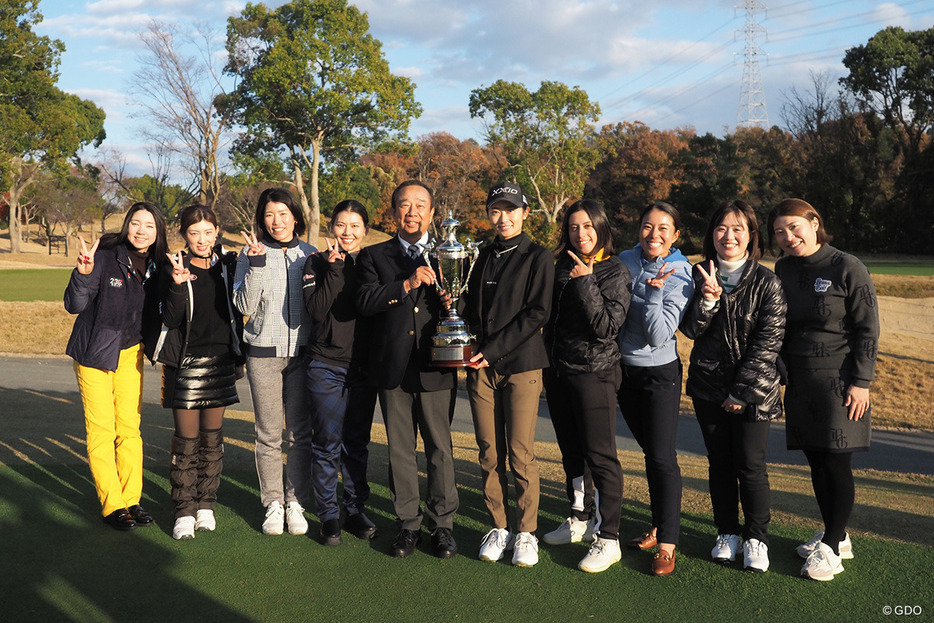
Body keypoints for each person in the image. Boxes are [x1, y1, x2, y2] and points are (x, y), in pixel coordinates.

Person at [768, 198, 879, 582]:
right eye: (780, 231)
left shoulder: (847, 266)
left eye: (795, 227)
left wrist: (862, 382)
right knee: (816, 461)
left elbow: (867, 329)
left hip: (841, 380)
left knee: (836, 462)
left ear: (815, 223)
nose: (788, 236)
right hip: (800, 379)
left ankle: (830, 548)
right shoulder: (782, 268)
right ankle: (838, 535)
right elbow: (780, 323)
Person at [680, 200, 786, 572]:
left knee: (751, 465)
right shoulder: (697, 276)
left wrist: (741, 392)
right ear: (712, 235)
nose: (730, 236)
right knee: (719, 464)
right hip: (709, 387)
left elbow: (768, 344)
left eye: (738, 229)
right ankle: (727, 532)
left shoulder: (767, 282)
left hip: (754, 392)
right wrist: (707, 300)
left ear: (751, 236)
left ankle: (757, 537)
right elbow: (691, 330)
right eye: (722, 228)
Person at [356, 180, 459, 559]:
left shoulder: (450, 252)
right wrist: (407, 282)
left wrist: (453, 300)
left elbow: (469, 307)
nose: (412, 212)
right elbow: (366, 300)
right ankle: (407, 525)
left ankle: (443, 525)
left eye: (420, 205)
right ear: (393, 211)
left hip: (436, 364)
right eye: (404, 205)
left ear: (432, 212)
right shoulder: (374, 255)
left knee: (440, 448)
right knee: (400, 449)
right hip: (392, 366)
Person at [461, 181, 554, 567]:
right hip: (480, 368)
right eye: (496, 210)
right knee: (488, 452)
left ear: (525, 213)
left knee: (520, 453)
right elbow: (468, 305)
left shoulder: (539, 256)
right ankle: (499, 526)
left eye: (511, 209)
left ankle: (526, 532)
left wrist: (491, 350)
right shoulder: (479, 256)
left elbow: (537, 313)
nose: (504, 217)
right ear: (488, 214)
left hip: (521, 365)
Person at [64, 202, 169, 531]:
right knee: (102, 431)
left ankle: (132, 499)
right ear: (127, 225)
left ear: (157, 232)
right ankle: (113, 505)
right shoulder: (107, 255)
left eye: (149, 226)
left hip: (131, 352)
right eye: (136, 223)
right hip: (95, 353)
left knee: (130, 430)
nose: (141, 231)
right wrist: (82, 273)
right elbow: (74, 304)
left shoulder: (159, 264)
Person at [542, 199, 631, 573]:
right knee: (571, 453)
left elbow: (606, 327)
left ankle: (609, 537)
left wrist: (586, 282)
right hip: (559, 371)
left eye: (588, 226)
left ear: (602, 228)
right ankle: (579, 517)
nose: (581, 234)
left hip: (595, 372)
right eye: (574, 227)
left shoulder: (614, 271)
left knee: (601, 455)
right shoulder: (559, 265)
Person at [147, 205, 244, 540]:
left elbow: (241, 310)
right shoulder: (173, 265)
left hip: (220, 362)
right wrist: (176, 283)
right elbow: (170, 319)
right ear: (184, 235)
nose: (202, 239)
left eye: (207, 232)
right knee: (186, 444)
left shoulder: (229, 264)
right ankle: (184, 510)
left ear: (216, 231)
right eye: (194, 233)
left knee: (212, 442)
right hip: (185, 364)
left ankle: (206, 505)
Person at [616, 201, 694, 576]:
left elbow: (660, 333)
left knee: (662, 457)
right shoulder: (625, 260)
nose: (654, 234)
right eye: (648, 226)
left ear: (675, 235)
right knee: (650, 452)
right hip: (622, 371)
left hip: (659, 373)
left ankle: (667, 544)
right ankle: (659, 524)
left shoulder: (680, 272)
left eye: (664, 228)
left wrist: (653, 292)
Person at [234, 188, 316, 536]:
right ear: (261, 219)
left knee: (300, 434)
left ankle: (295, 501)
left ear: (296, 216)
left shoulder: (310, 255)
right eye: (269, 215)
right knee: (268, 435)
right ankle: (272, 503)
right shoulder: (249, 253)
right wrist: (255, 263)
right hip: (263, 354)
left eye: (283, 213)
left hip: (302, 355)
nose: (276, 221)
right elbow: (243, 306)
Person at [301, 200, 380, 546]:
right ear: (331, 227)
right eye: (341, 225)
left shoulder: (372, 263)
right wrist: (334, 269)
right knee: (327, 443)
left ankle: (354, 507)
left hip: (363, 367)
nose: (347, 233)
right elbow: (317, 311)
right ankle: (329, 514)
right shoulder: (315, 262)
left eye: (355, 226)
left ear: (365, 229)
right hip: (325, 365)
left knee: (357, 443)